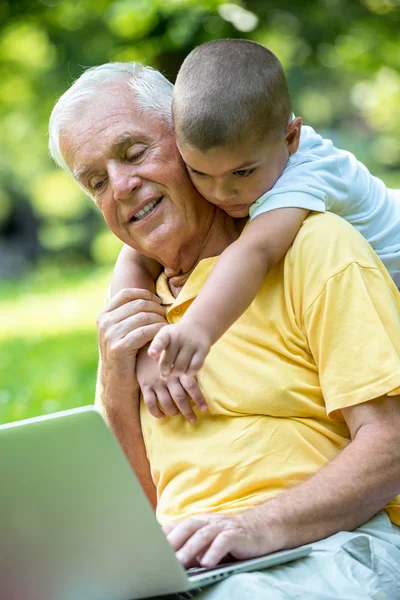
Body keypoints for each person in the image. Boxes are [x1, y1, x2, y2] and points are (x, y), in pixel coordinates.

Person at [48, 60, 400, 599]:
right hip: (186, 565)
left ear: (184, 135)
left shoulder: (312, 244)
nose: (120, 186)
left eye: (133, 152)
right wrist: (116, 372)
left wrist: (254, 526)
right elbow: (133, 513)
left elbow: (393, 444)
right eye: (96, 181)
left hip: (324, 546)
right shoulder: (134, 311)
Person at [110, 39, 400, 402]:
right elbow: (134, 254)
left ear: (291, 137)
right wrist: (144, 344)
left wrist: (197, 328)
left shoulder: (306, 175)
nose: (221, 193)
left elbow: (255, 252)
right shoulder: (243, 167)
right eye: (199, 173)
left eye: (242, 173)